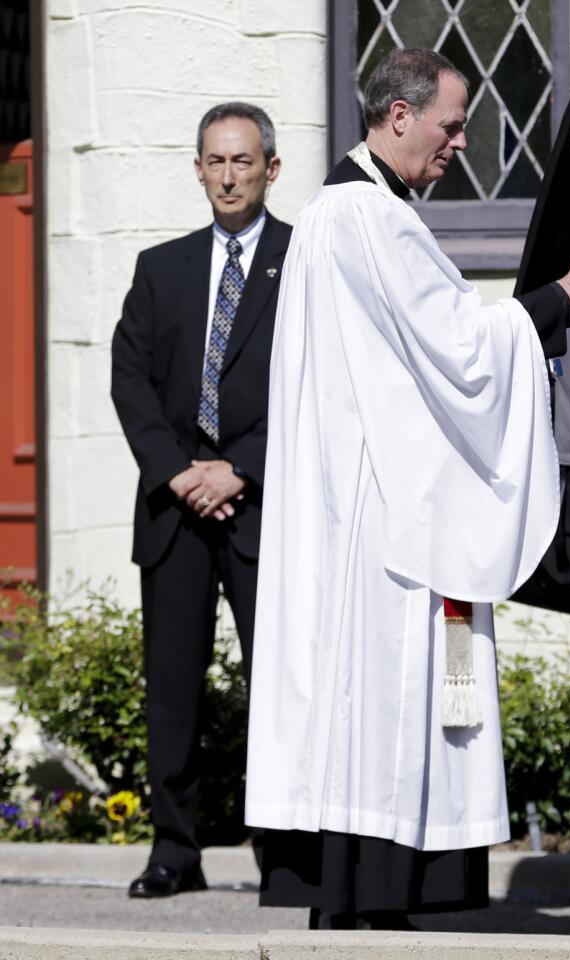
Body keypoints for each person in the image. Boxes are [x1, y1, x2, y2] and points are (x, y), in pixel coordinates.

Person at [244, 48, 570, 930]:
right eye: (451, 123)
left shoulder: (339, 212)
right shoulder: (369, 220)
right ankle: (378, 904)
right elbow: (462, 346)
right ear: (398, 116)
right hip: (386, 522)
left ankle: (376, 899)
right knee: (392, 700)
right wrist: (565, 292)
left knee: (401, 700)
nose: (463, 143)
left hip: (371, 501)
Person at [110, 102, 290, 898]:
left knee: (278, 689)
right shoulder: (162, 268)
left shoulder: (304, 261)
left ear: (270, 170)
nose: (227, 176)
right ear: (197, 169)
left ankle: (283, 854)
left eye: (242, 162)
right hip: (175, 513)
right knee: (173, 690)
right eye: (214, 162)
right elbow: (131, 381)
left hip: (262, 507)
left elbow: (314, 385)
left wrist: (239, 468)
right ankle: (174, 852)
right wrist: (181, 472)